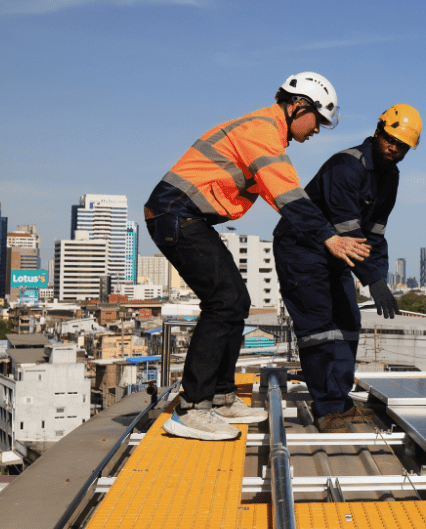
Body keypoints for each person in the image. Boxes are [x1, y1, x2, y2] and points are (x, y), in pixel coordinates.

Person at [144, 72, 372, 441]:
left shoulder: (266, 134)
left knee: (237, 301)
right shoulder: (262, 131)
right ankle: (192, 407)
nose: (317, 130)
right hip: (176, 214)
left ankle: (219, 396)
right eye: (317, 120)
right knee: (224, 301)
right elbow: (289, 197)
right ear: (299, 106)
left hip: (185, 216)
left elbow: (280, 195)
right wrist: (328, 237)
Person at [273, 104, 421, 433]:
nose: (395, 149)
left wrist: (378, 278)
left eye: (403, 147)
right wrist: (370, 279)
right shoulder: (346, 166)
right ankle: (327, 409)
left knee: (348, 322)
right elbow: (349, 232)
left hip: (338, 254)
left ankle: (340, 401)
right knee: (319, 328)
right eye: (392, 140)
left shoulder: (389, 178)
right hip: (302, 247)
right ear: (379, 132)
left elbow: (375, 235)